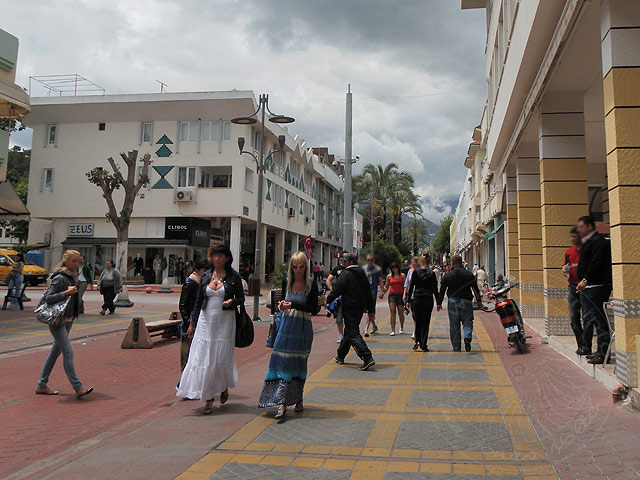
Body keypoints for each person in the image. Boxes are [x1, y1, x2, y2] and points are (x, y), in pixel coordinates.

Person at [177, 244, 244, 414]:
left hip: (225, 321)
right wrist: (192, 323)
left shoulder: (233, 277)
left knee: (220, 355)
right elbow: (198, 302)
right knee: (203, 356)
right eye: (215, 256)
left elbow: (241, 298)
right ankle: (208, 398)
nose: (217, 259)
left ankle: (223, 387)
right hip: (206, 320)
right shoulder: (206, 275)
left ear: (227, 258)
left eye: (220, 256)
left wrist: (232, 302)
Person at [259, 251, 318, 418]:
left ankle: (298, 397)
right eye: (294, 267)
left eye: (301, 267)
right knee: (281, 361)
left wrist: (293, 305)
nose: (298, 270)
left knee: (299, 363)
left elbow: (313, 308)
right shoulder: (287, 282)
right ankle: (281, 402)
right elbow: (284, 303)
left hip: (302, 327)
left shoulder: (311, 283)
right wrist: (282, 306)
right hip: (286, 326)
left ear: (305, 267)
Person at [35, 250, 93, 398]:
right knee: (68, 352)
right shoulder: (60, 278)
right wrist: (66, 293)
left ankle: (41, 384)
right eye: (73, 261)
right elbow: (48, 297)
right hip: (57, 320)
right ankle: (78, 387)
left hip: (68, 318)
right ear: (66, 261)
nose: (76, 264)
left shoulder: (73, 277)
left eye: (78, 261)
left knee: (55, 352)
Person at [328, 254, 376, 371]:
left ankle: (367, 356)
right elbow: (368, 293)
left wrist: (328, 299)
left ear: (350, 262)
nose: (342, 263)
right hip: (359, 308)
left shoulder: (346, 274)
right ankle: (340, 355)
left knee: (353, 332)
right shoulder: (362, 274)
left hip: (349, 307)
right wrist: (371, 310)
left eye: (344, 261)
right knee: (349, 331)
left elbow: (337, 289)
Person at [576, 216, 612, 364]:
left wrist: (586, 280)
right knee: (593, 320)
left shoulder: (599, 242)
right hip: (589, 288)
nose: (579, 230)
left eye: (581, 227)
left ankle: (603, 354)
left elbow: (596, 264)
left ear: (590, 227)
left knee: (600, 321)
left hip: (596, 287)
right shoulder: (589, 242)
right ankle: (599, 351)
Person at [437, 255, 483, 352]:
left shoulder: (448, 275)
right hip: (466, 301)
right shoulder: (469, 274)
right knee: (467, 321)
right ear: (461, 262)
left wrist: (439, 303)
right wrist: (479, 301)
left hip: (453, 301)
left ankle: (456, 347)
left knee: (454, 324)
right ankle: (467, 337)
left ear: (452, 263)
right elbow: (475, 289)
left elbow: (442, 290)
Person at [178, 259, 209, 373]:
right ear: (197, 270)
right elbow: (183, 305)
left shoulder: (201, 284)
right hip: (189, 324)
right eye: (204, 270)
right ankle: (183, 382)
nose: (206, 273)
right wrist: (188, 322)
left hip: (199, 322)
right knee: (187, 355)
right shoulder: (190, 283)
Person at [407, 254, 438, 352]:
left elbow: (411, 287)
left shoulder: (416, 272)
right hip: (428, 298)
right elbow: (435, 288)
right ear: (429, 261)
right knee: (426, 321)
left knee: (418, 320)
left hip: (417, 298)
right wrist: (439, 301)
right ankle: (424, 344)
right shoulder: (432, 273)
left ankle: (417, 340)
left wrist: (408, 300)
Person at [563, 227, 586, 355]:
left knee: (588, 318)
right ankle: (581, 344)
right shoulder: (569, 252)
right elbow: (565, 266)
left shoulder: (587, 251)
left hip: (586, 288)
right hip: (572, 287)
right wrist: (564, 269)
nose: (572, 239)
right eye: (571, 237)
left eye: (575, 237)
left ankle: (586, 345)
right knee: (573, 318)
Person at [326, 252, 348, 343]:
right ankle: (340, 334)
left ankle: (348, 335)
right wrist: (332, 290)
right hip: (339, 298)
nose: (346, 259)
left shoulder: (351, 269)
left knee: (349, 318)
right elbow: (328, 279)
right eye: (344, 258)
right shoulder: (337, 269)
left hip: (349, 297)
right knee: (339, 318)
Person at [383, 263, 406, 336]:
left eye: (396, 268)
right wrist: (382, 292)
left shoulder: (402, 276)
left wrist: (405, 294)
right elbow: (386, 286)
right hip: (392, 295)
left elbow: (405, 286)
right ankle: (393, 330)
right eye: (393, 268)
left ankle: (401, 327)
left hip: (400, 295)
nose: (395, 269)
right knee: (392, 312)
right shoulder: (389, 277)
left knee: (400, 312)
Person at [364, 254, 384, 337]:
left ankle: (366, 328)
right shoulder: (364, 269)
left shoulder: (377, 269)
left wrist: (382, 291)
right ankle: (374, 326)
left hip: (373, 291)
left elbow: (380, 281)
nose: (370, 262)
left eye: (371, 260)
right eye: (368, 260)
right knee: (369, 310)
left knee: (370, 310)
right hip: (365, 292)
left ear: (374, 261)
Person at [403, 256, 419, 339]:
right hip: (411, 295)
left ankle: (417, 330)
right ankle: (416, 330)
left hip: (419, 295)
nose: (412, 263)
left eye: (413, 262)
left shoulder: (420, 271)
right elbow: (406, 284)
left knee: (417, 313)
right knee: (414, 314)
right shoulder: (410, 271)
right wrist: (405, 294)